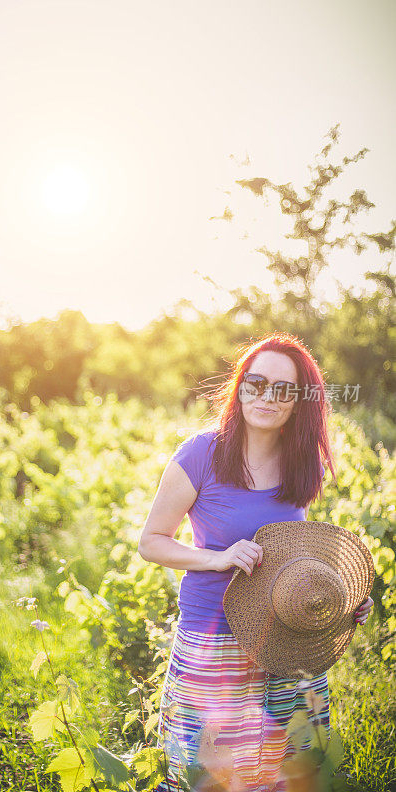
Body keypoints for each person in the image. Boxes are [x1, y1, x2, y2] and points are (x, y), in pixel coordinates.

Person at [137, 333, 373, 792]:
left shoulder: (302, 463)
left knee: (290, 773)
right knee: (207, 774)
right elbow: (151, 543)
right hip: (214, 639)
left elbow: (296, 552)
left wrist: (339, 604)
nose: (266, 396)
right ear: (240, 386)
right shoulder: (201, 454)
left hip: (286, 644)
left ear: (299, 401)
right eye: (256, 382)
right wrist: (218, 558)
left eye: (281, 389)